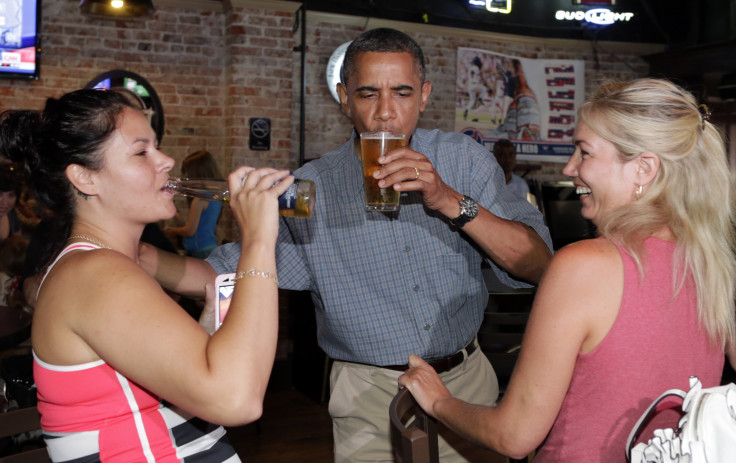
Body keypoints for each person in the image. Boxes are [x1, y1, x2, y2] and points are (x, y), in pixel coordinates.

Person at [143, 27, 552, 462]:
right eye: (368, 94)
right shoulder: (312, 185)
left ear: (425, 96)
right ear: (344, 98)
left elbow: (538, 263)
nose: (385, 114)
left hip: (466, 383)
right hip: (368, 395)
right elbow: (222, 273)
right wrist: (137, 256)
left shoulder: (463, 159)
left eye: (402, 93)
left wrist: (447, 199)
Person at [398, 78, 736, 461]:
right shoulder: (711, 263)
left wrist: (439, 401)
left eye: (584, 152)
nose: (569, 166)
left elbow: (514, 436)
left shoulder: (584, 267)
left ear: (644, 168)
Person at [1, 88, 294, 462]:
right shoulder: (96, 273)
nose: (167, 161)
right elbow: (236, 400)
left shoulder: (113, 266)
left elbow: (182, 379)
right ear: (85, 179)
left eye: (158, 146)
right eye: (142, 152)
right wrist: (257, 241)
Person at [165, 149, 223, 258]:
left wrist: (172, 231)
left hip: (199, 250)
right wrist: (174, 214)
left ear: (194, 173)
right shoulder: (215, 197)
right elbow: (196, 226)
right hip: (210, 247)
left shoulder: (199, 200)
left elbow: (190, 231)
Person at [0, 166, 21, 246]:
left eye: (11, 195)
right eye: (0, 194)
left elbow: (18, 244)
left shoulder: (12, 215)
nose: (5, 202)